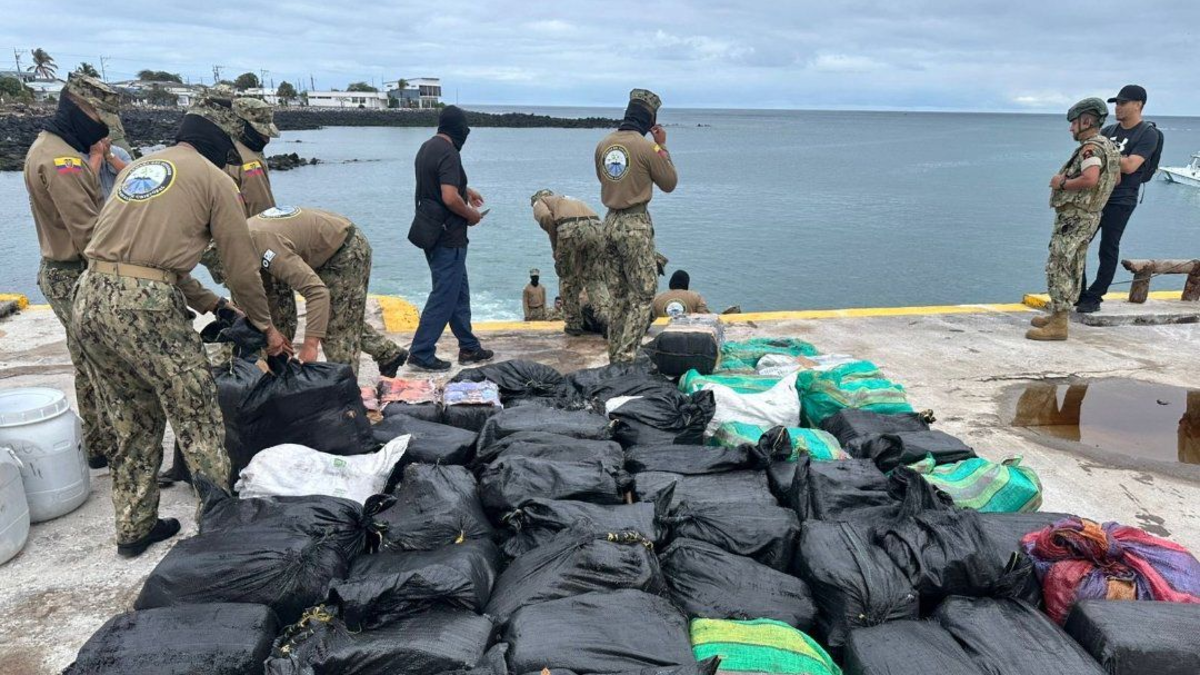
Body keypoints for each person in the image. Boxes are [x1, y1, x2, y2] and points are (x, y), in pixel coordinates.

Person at [72, 99, 291, 557]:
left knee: (131, 417)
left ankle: (134, 527)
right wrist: (265, 326)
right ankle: (218, 528)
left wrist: (214, 306)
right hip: (144, 307)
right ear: (218, 146)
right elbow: (242, 268)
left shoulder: (140, 168)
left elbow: (148, 261)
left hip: (89, 294)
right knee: (197, 411)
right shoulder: (215, 180)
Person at [22, 72, 120, 469]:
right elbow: (89, 234)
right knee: (105, 366)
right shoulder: (61, 160)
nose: (104, 126)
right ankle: (116, 447)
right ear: (80, 107)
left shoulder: (49, 148)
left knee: (85, 362)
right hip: (74, 273)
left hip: (61, 270)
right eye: (101, 115)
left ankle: (98, 444)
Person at [247, 206, 408, 376]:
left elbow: (317, 293)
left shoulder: (267, 250)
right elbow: (271, 299)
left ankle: (344, 393)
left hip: (344, 250)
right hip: (318, 251)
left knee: (337, 330)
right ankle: (388, 353)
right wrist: (274, 333)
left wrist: (310, 346)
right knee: (340, 317)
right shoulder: (238, 245)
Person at [594, 88, 677, 363]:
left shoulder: (604, 144)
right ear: (649, 118)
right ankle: (627, 358)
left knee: (618, 295)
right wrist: (662, 145)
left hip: (609, 222)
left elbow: (602, 177)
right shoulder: (647, 147)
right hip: (634, 223)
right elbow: (669, 183)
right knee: (643, 295)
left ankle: (615, 354)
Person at [1027, 98, 1120, 341]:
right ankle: (1059, 315)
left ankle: (1059, 324)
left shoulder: (1091, 148)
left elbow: (1090, 178)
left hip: (1075, 218)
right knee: (1074, 264)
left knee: (1060, 265)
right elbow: (1116, 178)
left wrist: (1063, 183)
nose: (1071, 128)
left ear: (1086, 121)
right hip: (1089, 216)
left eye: (1074, 123)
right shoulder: (1109, 146)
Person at [408, 105, 493, 370]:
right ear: (459, 130)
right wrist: (471, 215)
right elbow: (447, 196)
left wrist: (466, 190)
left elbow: (438, 184)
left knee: (459, 292)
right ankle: (421, 352)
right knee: (445, 295)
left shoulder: (427, 147)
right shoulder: (449, 153)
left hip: (431, 231)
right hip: (448, 236)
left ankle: (468, 347)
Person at [1077, 85, 1162, 313]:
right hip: (1097, 197)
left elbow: (1132, 165)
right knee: (1079, 243)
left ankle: (1095, 296)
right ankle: (1079, 291)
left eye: (1123, 103)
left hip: (1122, 199)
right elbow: (1089, 158)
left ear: (1138, 105)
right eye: (1116, 103)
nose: (1118, 107)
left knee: (1108, 247)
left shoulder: (1147, 134)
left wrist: (1105, 158)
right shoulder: (1109, 131)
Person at [530, 188, 611, 335]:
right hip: (596, 227)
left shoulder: (540, 201)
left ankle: (573, 323)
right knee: (595, 278)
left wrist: (556, 247)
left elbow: (546, 218)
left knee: (568, 278)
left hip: (570, 228)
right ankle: (606, 318)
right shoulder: (567, 199)